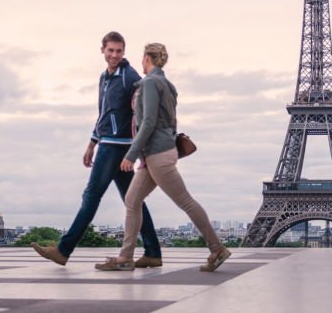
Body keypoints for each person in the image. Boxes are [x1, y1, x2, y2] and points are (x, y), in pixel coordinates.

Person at [95, 42, 230, 272]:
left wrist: (131, 154)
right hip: (159, 153)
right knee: (132, 201)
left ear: (147, 58)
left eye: (142, 57)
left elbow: (147, 122)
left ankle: (217, 248)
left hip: (157, 154)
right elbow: (169, 120)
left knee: (185, 201)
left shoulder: (149, 84)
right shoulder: (168, 85)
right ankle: (125, 257)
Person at [32, 31, 163, 267]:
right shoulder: (105, 78)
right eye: (111, 50)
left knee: (91, 197)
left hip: (115, 147)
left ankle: (63, 250)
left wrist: (138, 150)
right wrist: (92, 142)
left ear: (124, 52)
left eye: (119, 51)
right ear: (102, 50)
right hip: (107, 143)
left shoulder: (129, 76)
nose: (114, 55)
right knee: (133, 202)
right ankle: (153, 252)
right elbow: (103, 114)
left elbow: (142, 112)